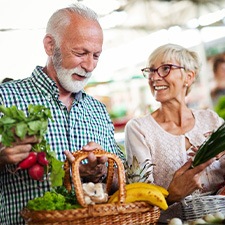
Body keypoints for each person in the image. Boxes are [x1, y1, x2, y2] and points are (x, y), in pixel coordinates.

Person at [0, 3, 124, 225]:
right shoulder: (4, 99)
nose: (89, 66)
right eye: (80, 53)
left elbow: (122, 183)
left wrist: (103, 171)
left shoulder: (98, 109)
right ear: (50, 45)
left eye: (96, 55)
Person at [125, 43, 225, 220]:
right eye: (151, 70)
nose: (154, 77)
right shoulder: (139, 129)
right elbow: (140, 201)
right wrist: (171, 196)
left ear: (188, 76)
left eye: (165, 69)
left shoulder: (211, 120)